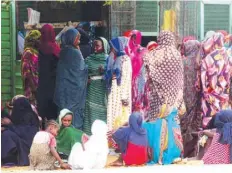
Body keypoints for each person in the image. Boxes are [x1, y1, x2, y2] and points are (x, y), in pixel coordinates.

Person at [146, 30, 185, 122]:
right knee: (172, 120)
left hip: (158, 95)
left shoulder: (154, 54)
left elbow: (148, 72)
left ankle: (156, 136)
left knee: (157, 120)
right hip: (174, 95)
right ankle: (171, 136)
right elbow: (180, 78)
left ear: (159, 39)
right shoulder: (177, 54)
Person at [54, 28, 88, 130]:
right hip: (74, 93)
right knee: (74, 115)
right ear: (72, 39)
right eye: (77, 39)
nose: (79, 42)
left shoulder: (63, 51)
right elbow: (82, 69)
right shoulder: (75, 53)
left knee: (63, 112)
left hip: (63, 91)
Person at [104, 37, 132, 148]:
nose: (112, 49)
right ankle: (113, 142)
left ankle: (120, 143)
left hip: (121, 94)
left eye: (113, 46)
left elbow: (126, 78)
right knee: (114, 115)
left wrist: (124, 97)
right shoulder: (118, 58)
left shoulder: (125, 60)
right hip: (115, 92)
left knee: (120, 117)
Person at [1, 97, 40, 166]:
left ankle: (10, 160)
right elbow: (17, 128)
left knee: (6, 134)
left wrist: (9, 124)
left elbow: (23, 133)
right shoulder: (19, 115)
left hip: (28, 145)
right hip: (22, 141)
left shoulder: (29, 116)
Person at [201, 32, 231, 118]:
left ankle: (209, 130)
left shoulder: (209, 58)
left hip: (211, 92)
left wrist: (205, 90)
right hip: (223, 91)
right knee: (222, 116)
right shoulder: (227, 56)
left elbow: (204, 79)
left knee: (210, 116)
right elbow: (228, 75)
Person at [180, 40, 202, 158]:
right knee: (194, 123)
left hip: (184, 97)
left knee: (184, 120)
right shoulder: (200, 63)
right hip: (197, 98)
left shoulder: (183, 61)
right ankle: (193, 149)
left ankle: (184, 148)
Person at [84, 37, 109, 135]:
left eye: (97, 46)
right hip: (91, 88)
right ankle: (90, 134)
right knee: (91, 109)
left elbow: (113, 73)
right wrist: (86, 79)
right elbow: (83, 72)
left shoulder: (108, 59)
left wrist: (105, 71)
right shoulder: (89, 59)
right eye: (94, 45)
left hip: (102, 88)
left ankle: (102, 133)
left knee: (102, 109)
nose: (95, 48)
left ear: (104, 46)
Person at [37, 24, 60, 126]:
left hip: (41, 84)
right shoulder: (55, 48)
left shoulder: (37, 48)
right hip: (53, 84)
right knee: (52, 112)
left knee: (41, 110)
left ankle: (41, 132)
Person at [126, 30, 150, 120]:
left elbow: (147, 68)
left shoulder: (144, 51)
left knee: (139, 106)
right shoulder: (126, 52)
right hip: (128, 82)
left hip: (140, 83)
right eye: (131, 37)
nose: (133, 40)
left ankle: (139, 125)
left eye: (135, 37)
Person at [21, 30, 41, 106]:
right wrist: (33, 88)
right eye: (38, 39)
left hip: (37, 85)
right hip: (31, 87)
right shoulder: (28, 52)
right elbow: (26, 71)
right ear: (33, 41)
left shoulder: (35, 51)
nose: (40, 41)